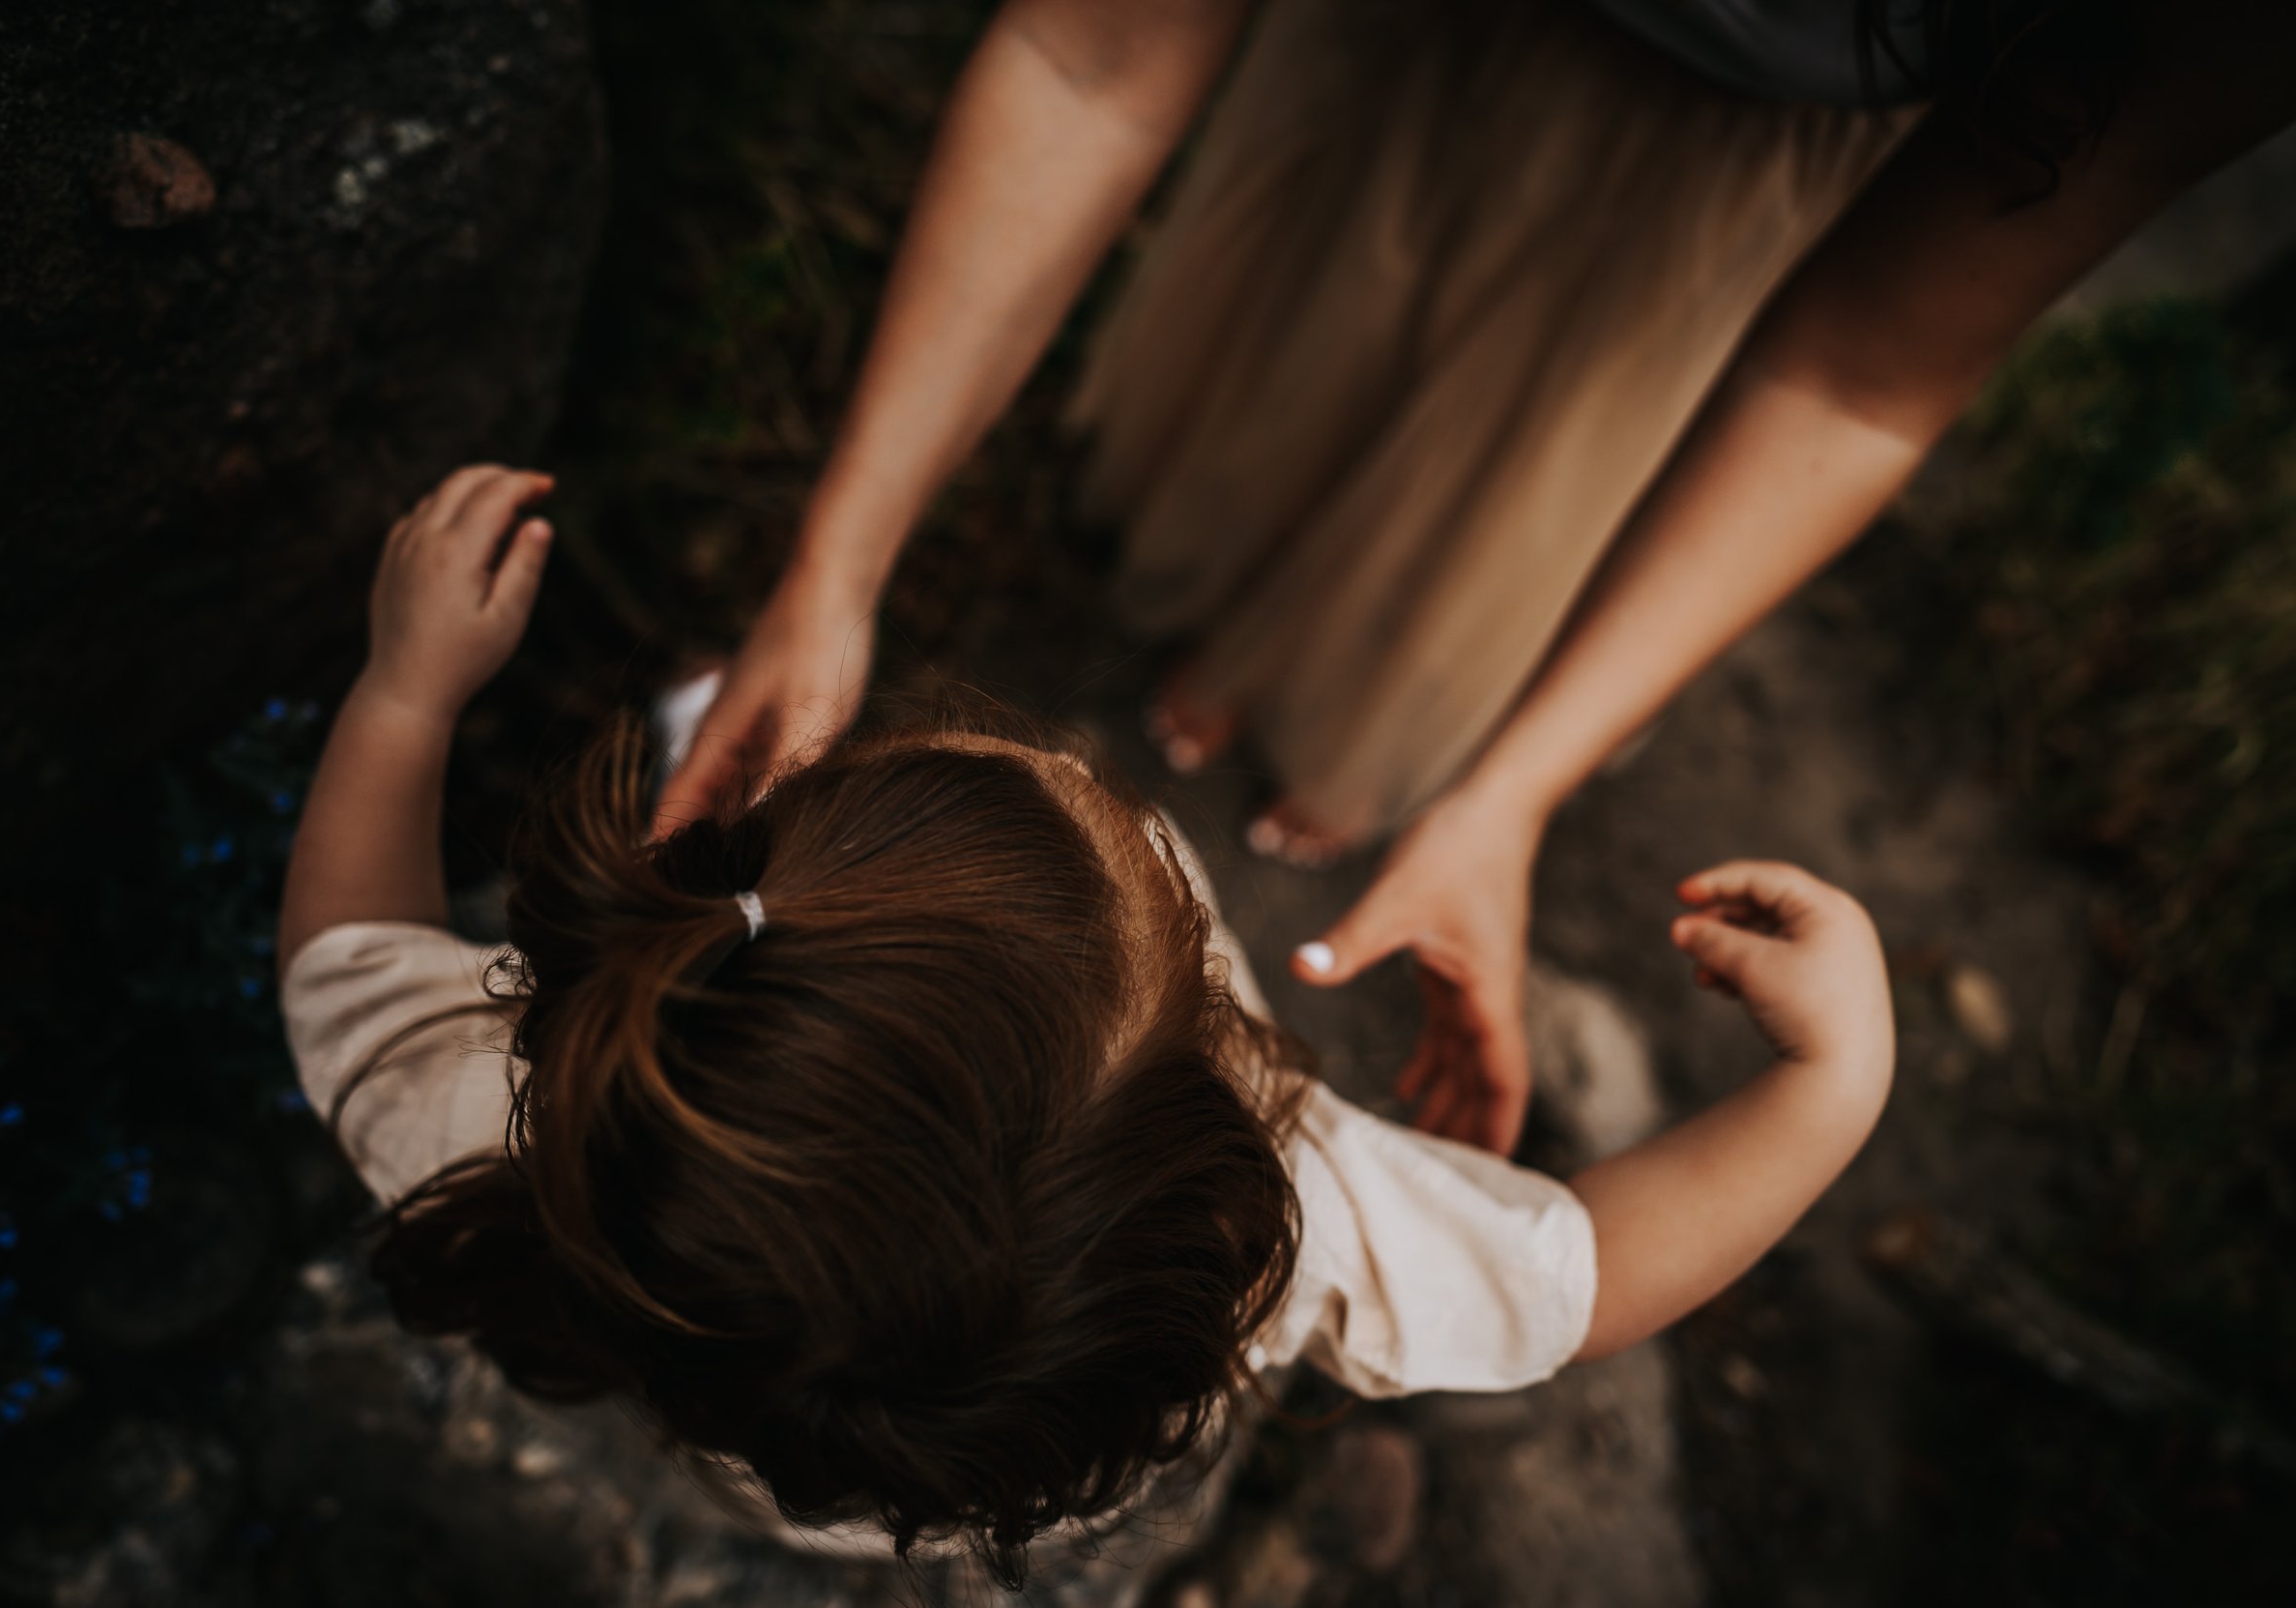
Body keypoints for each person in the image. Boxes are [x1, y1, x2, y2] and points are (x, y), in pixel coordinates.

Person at [653, 0, 2296, 1156]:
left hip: (1740, 163)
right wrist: (833, 562)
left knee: (1517, 459)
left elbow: (1862, 378)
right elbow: (1096, 47)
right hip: (1399, 49)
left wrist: (1512, 798)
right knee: (1308, 333)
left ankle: (1402, 726)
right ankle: (1242, 601)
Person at [276, 464, 1900, 1584]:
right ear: (1213, 1144)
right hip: (980, 1498)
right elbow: (1578, 1279)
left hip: (786, 1456)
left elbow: (345, 962)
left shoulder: (536, 1125)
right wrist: (1831, 1087)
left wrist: (406, 696)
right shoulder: (1274, 1216)